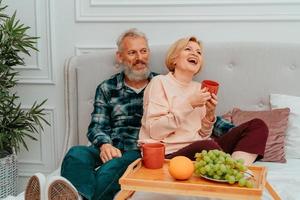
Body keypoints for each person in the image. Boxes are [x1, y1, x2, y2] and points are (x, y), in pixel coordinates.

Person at [25, 28, 157, 200]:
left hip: (138, 151)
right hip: (110, 146)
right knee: (75, 154)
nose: (140, 58)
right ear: (120, 57)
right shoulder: (107, 88)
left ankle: (68, 197)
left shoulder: (160, 85)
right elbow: (97, 126)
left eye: (143, 51)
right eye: (132, 52)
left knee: (110, 168)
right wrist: (104, 145)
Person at [138, 36, 268, 166]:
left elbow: (203, 134)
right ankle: (228, 168)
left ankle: (237, 169)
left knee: (257, 125)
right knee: (207, 146)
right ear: (174, 59)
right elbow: (155, 131)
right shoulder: (160, 82)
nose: (195, 53)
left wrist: (209, 115)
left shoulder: (199, 88)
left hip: (200, 149)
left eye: (198, 52)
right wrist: (189, 104)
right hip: (168, 154)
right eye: (188, 49)